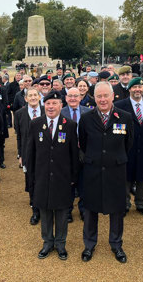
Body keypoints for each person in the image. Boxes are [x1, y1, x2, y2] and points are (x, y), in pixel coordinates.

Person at [78, 82, 134, 263]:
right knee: (90, 209)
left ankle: (116, 244)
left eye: (105, 96)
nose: (102, 100)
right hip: (92, 169)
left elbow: (128, 143)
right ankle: (89, 244)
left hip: (116, 170)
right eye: (98, 96)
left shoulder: (125, 117)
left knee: (117, 210)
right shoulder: (86, 118)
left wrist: (114, 157)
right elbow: (84, 143)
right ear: (94, 98)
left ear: (112, 96)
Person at [26, 90, 78, 261]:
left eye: (54, 103)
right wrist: (31, 177)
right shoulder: (36, 124)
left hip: (62, 177)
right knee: (45, 210)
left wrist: (73, 177)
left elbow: (74, 155)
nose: (50, 107)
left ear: (60, 106)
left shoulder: (69, 125)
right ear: (44, 105)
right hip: (42, 176)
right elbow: (30, 152)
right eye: (48, 103)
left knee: (62, 212)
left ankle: (61, 243)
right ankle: (47, 242)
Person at [115, 77, 143, 217]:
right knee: (125, 178)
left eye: (140, 87)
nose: (137, 89)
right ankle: (125, 204)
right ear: (129, 89)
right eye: (134, 87)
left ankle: (141, 204)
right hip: (127, 148)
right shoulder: (120, 105)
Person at [14, 88, 44, 225]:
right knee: (31, 181)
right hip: (28, 153)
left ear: (39, 97)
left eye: (35, 95)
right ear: (25, 99)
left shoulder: (46, 110)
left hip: (45, 153)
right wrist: (20, 154)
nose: (32, 98)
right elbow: (19, 136)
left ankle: (46, 208)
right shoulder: (19, 114)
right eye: (30, 95)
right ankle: (35, 210)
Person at [61, 87, 90, 222]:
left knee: (84, 183)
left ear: (80, 98)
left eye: (76, 96)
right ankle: (67, 210)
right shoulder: (60, 113)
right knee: (68, 183)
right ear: (66, 98)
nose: (73, 98)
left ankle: (83, 209)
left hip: (84, 152)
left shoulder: (89, 112)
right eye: (70, 96)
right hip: (66, 154)